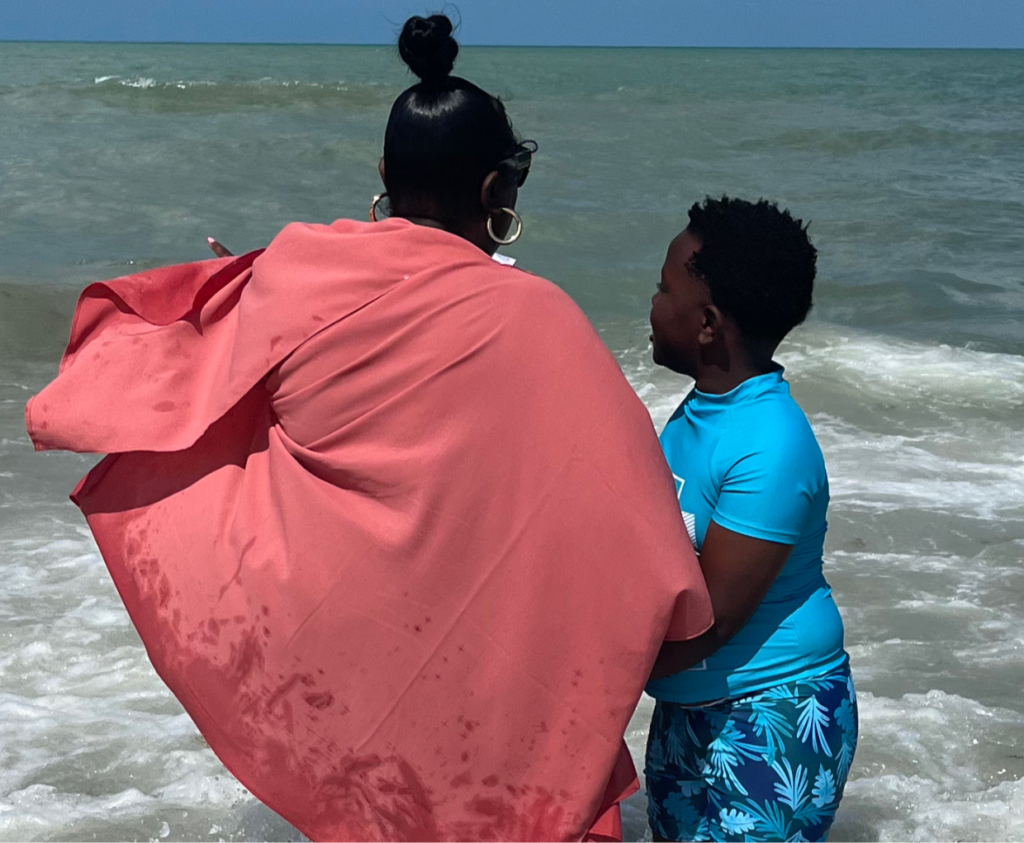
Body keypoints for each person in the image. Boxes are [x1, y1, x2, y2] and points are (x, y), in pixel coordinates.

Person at [25, 15, 713, 843]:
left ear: (385, 173)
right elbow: (621, 509)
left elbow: (181, 373)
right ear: (499, 190)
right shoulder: (543, 319)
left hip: (353, 654)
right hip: (488, 664)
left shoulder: (295, 267)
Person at [643, 197, 858, 843]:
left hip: (774, 714)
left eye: (663, 287)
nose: (652, 303)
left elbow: (710, 619)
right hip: (689, 709)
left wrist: (585, 672)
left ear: (708, 323)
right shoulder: (701, 412)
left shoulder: (770, 443)